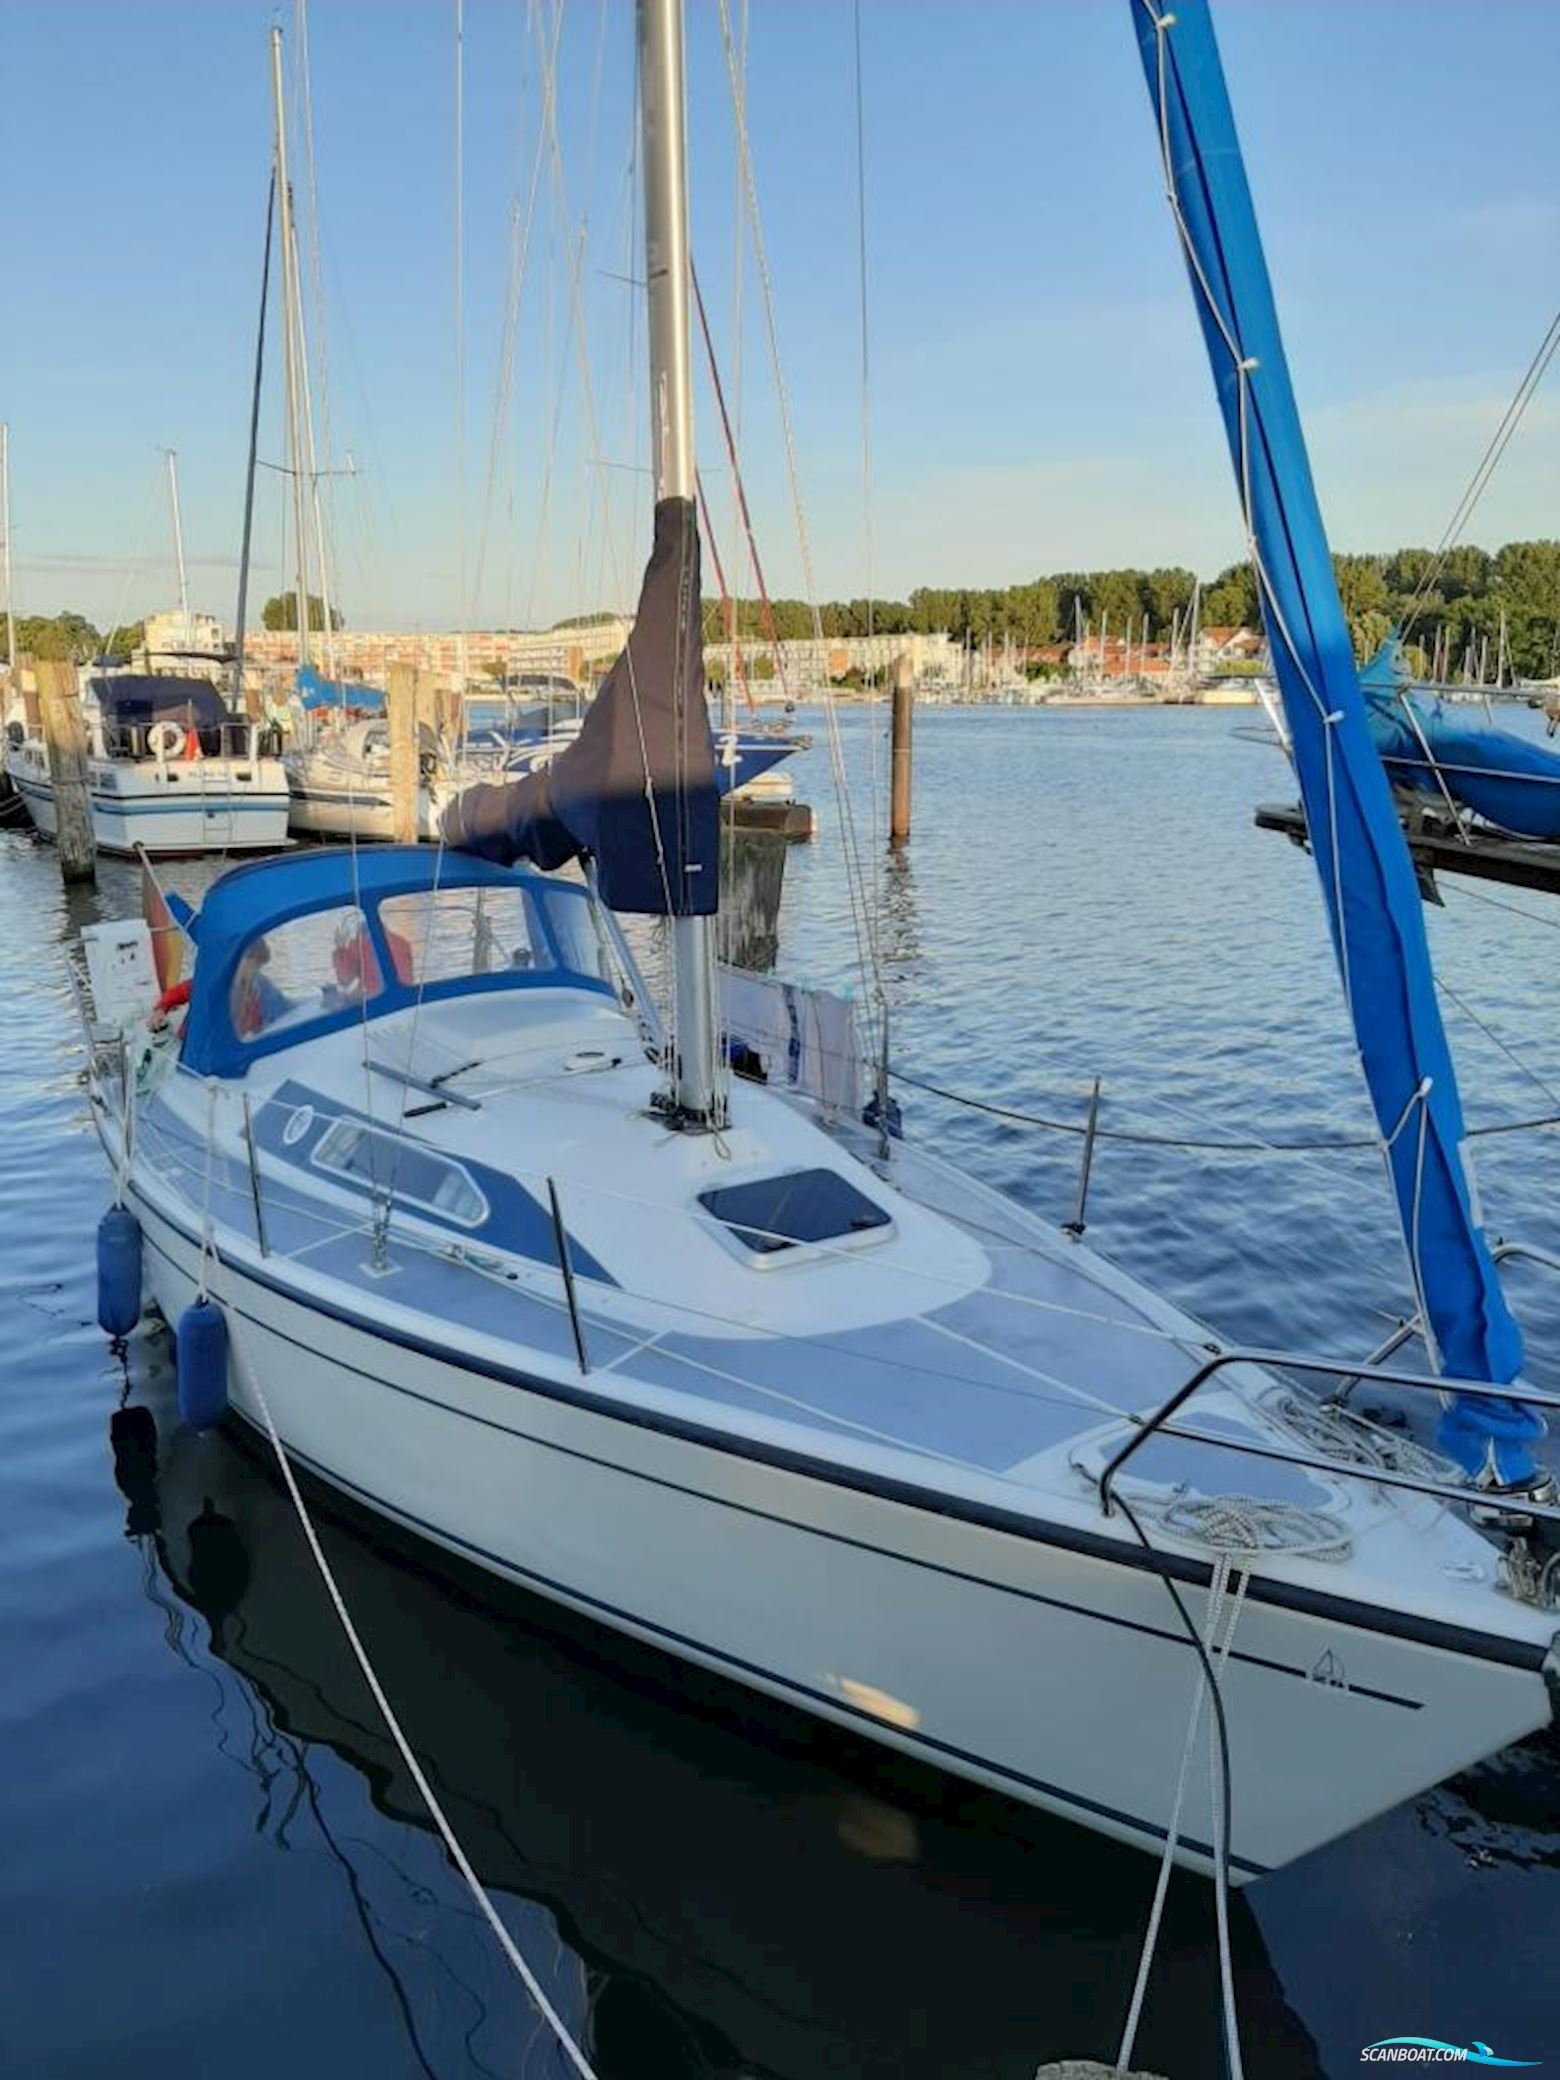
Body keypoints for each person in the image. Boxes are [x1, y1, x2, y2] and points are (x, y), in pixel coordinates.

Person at [231, 937, 292, 1038]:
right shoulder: (222, 992)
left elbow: (284, 1012)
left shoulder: (262, 984)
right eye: (248, 959)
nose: (253, 970)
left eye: (257, 965)